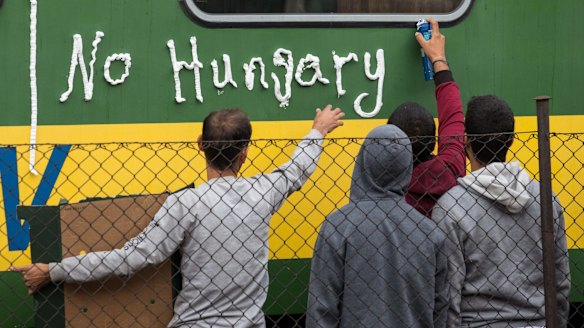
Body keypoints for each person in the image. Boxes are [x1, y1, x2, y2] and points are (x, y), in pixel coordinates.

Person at [11, 105, 345, 328]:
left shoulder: (185, 204)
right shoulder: (263, 193)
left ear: (200, 144)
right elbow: (297, 169)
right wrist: (318, 130)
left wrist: (55, 270)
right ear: (245, 153)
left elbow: (129, 258)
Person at [432, 95, 571, 327]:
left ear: (466, 141)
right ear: (512, 140)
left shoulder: (451, 208)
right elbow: (560, 280)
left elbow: (449, 294)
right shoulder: (544, 199)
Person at [307, 124, 449, 328]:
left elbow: (321, 310)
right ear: (408, 166)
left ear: (363, 161)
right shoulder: (431, 234)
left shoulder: (337, 227)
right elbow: (440, 309)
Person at [388, 18, 465, 217]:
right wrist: (439, 58)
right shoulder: (451, 169)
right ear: (434, 142)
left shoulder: (385, 190)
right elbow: (452, 118)